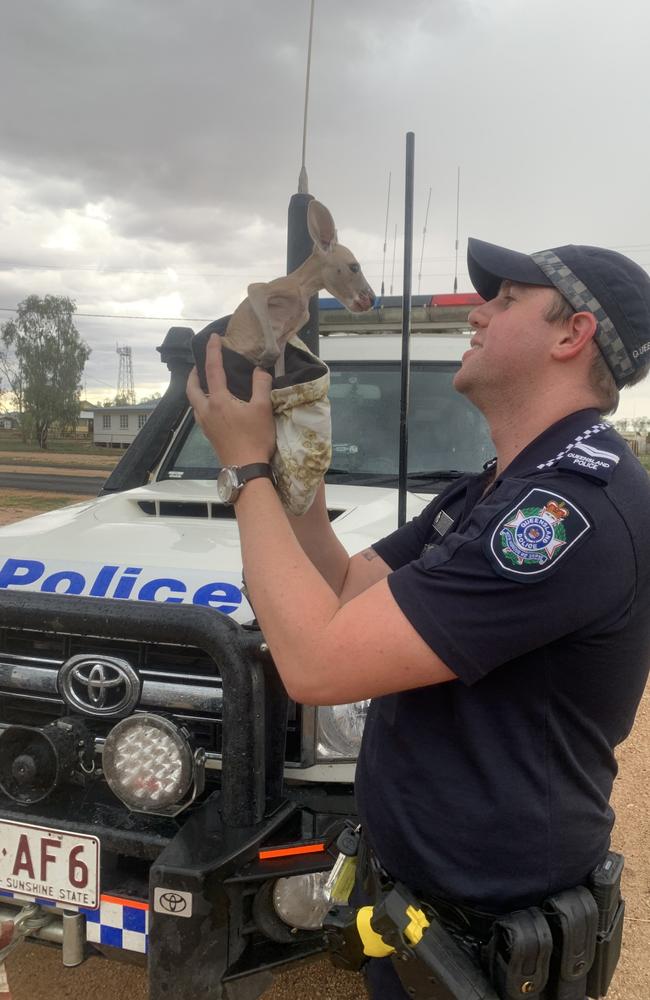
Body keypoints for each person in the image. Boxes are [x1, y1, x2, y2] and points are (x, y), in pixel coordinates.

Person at [186, 237, 650, 999]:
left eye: (505, 300)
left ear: (573, 335)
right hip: (426, 911)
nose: (478, 310)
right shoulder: (495, 489)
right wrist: (296, 450)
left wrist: (246, 471)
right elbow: (344, 588)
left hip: (488, 939)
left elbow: (315, 663)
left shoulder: (564, 515)